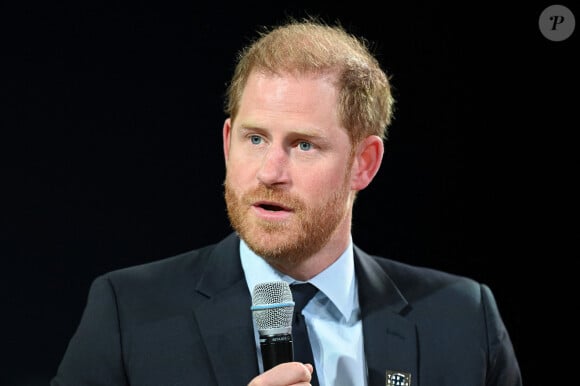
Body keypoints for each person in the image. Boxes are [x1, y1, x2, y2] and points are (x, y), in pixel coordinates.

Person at [51, 17, 522, 386]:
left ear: (364, 162)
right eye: (255, 139)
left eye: (303, 145)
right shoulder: (128, 312)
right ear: (227, 141)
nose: (270, 172)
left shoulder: (462, 318)